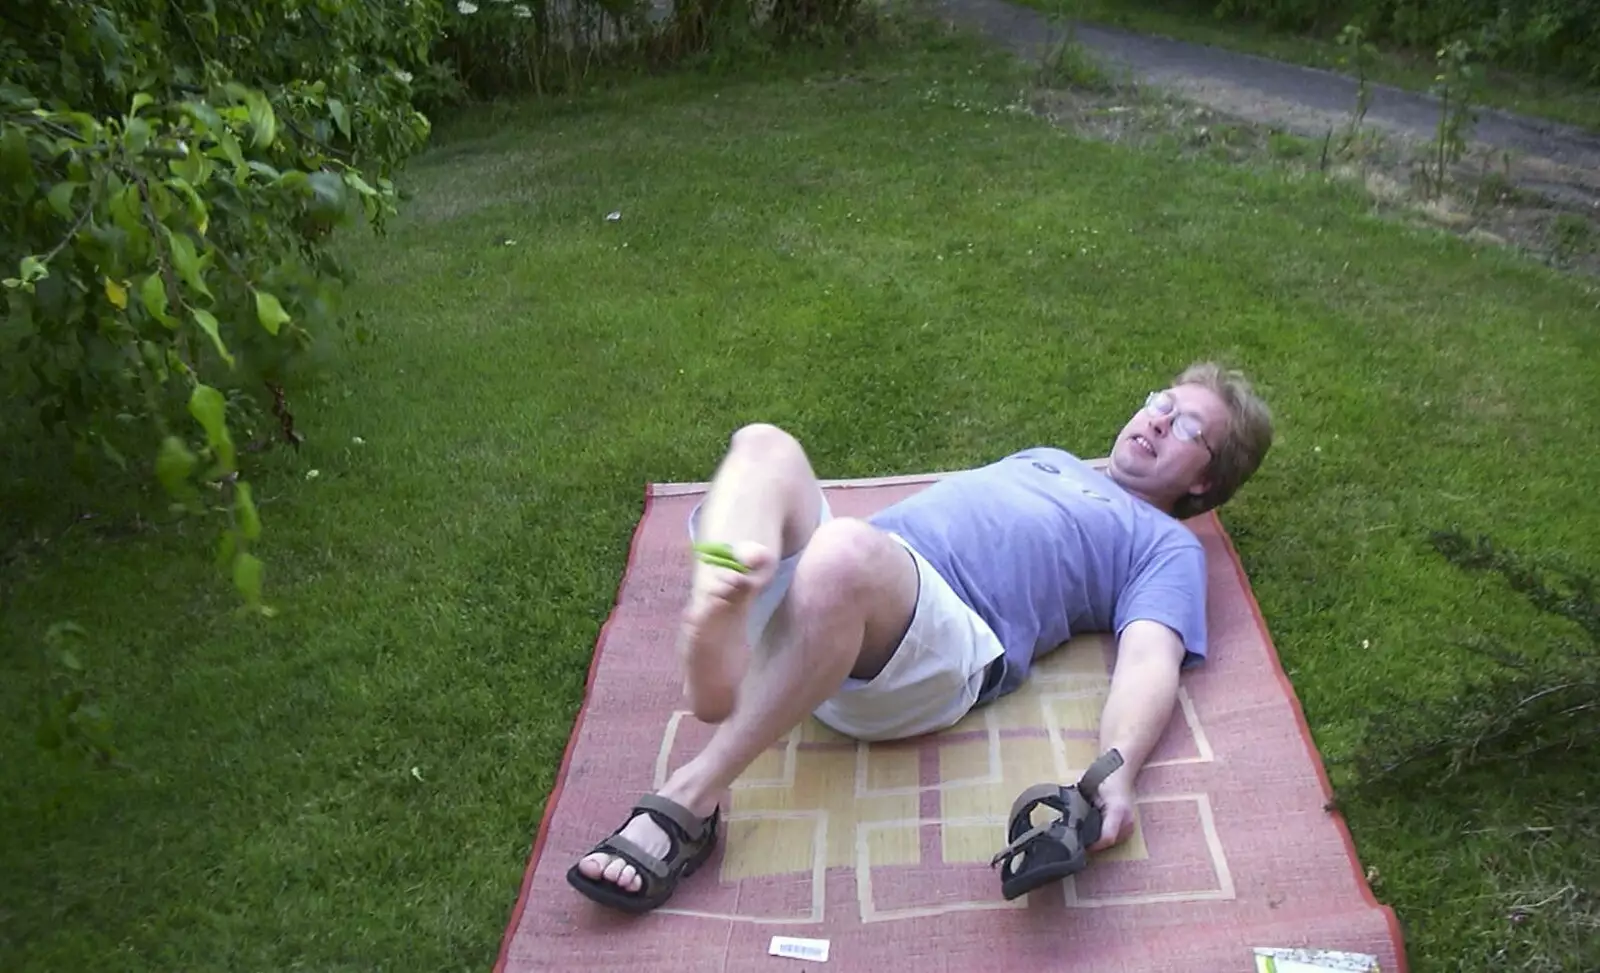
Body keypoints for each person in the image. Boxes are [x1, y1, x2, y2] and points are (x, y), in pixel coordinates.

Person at [567, 361, 1274, 914]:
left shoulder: (1166, 545)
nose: (1157, 420)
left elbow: (1151, 658)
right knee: (764, 445)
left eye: (1187, 428)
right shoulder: (1051, 457)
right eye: (1162, 401)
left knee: (843, 549)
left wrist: (1113, 771)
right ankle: (727, 605)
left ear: (1207, 479)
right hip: (842, 595)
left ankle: (690, 798)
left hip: (937, 643)